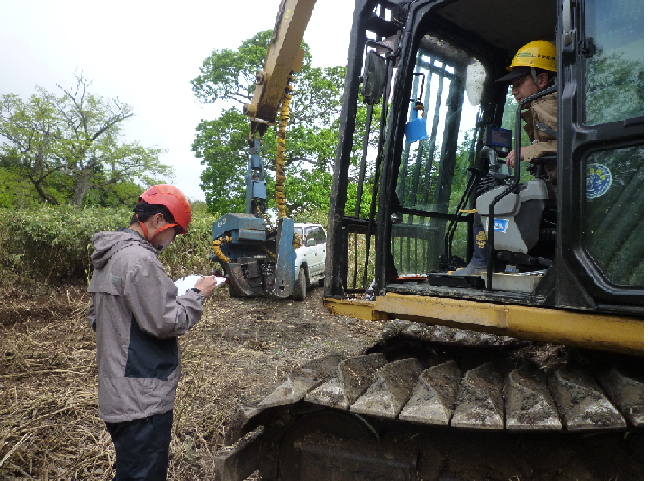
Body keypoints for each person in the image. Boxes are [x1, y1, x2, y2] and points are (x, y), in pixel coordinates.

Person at [87, 184, 218, 480]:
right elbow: (167, 321)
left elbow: (98, 317)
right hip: (142, 398)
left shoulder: (110, 256)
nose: (174, 238)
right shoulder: (140, 260)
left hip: (117, 393)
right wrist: (197, 293)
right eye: (176, 230)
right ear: (158, 221)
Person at [452, 40, 557, 277]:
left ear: (542, 80)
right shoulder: (545, 104)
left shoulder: (548, 103)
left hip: (564, 187)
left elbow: (570, 142)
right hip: (559, 183)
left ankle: (482, 263)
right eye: (512, 85)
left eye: (520, 83)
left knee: (485, 204)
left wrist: (526, 152)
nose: (514, 91)